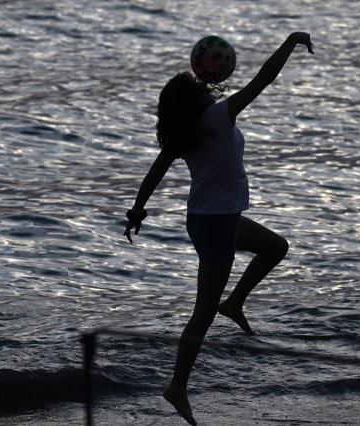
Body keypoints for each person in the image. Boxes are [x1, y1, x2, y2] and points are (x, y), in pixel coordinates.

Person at [123, 32, 314, 425]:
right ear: (197, 100)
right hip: (215, 223)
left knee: (276, 247)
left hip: (212, 218)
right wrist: (291, 41)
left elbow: (155, 172)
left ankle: (236, 303)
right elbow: (264, 78)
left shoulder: (186, 130)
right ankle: (177, 386)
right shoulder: (218, 115)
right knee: (202, 313)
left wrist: (138, 210)